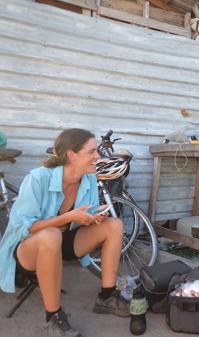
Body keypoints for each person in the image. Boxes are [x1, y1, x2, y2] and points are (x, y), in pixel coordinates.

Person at [0, 129, 128, 337]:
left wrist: (94, 218)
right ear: (71, 154)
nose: (97, 156)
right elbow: (24, 227)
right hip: (28, 248)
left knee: (114, 225)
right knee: (51, 235)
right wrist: (68, 218)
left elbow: (87, 213)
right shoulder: (38, 178)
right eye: (92, 152)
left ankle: (107, 296)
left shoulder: (88, 179)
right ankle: (53, 317)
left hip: (64, 242)